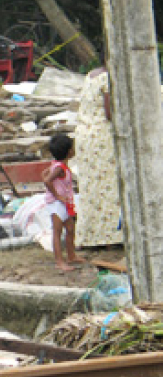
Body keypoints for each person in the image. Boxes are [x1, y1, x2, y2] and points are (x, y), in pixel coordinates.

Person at [74, 65, 122, 247]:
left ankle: (90, 235)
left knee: (91, 188)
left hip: (85, 136)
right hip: (102, 138)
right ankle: (109, 236)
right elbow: (110, 113)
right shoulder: (108, 78)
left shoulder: (91, 75)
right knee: (110, 187)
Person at [43, 134, 84, 272]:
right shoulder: (60, 168)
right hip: (56, 203)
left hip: (65, 202)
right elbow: (47, 181)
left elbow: (45, 174)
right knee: (57, 231)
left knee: (70, 229)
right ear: (69, 152)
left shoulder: (60, 166)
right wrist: (57, 196)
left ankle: (71, 255)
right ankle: (59, 261)